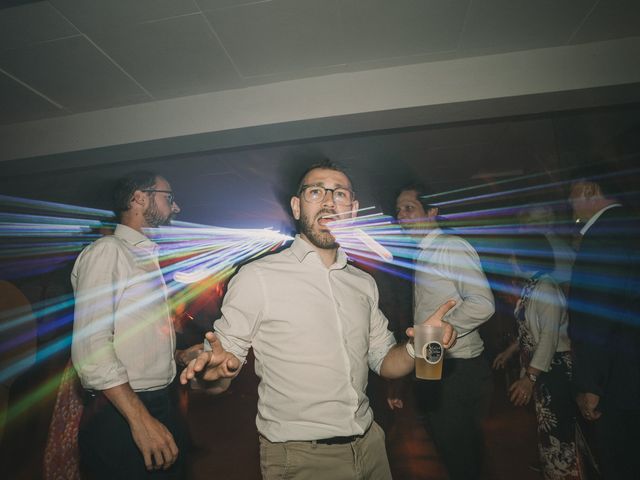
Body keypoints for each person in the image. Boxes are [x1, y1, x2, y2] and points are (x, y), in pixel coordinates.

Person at [181, 160, 458, 480]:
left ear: (352, 210)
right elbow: (220, 364)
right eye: (316, 191)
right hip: (301, 459)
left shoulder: (362, 283)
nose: (329, 201)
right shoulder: (257, 277)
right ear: (297, 206)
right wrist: (213, 374)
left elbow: (384, 361)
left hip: (371, 447)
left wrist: (420, 343)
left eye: (339, 194)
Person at [71, 171, 184, 479]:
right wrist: (141, 420)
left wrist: (180, 357)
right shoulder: (109, 251)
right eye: (169, 198)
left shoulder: (145, 256)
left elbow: (136, 342)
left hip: (156, 402)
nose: (176, 208)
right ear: (138, 198)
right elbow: (92, 347)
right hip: (121, 410)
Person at [390, 184, 495, 480]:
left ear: (432, 212)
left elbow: (483, 303)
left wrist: (444, 329)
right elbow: (426, 317)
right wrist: (409, 378)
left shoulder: (451, 246)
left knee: (462, 459)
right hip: (435, 363)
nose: (401, 215)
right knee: (452, 453)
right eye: (398, 210)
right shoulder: (424, 252)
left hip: (457, 369)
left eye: (409, 208)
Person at [567, 164, 640, 479]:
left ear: (587, 190)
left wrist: (591, 384)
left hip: (618, 379)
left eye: (571, 196)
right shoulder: (630, 226)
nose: (570, 205)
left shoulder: (604, 236)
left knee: (620, 463)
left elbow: (599, 314)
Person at [493, 234, 579, 480]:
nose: (509, 259)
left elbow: (548, 339)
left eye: (512, 254)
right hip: (544, 371)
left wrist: (529, 379)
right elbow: (529, 332)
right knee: (548, 437)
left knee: (559, 439)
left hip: (555, 372)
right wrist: (510, 351)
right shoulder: (532, 286)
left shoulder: (547, 288)